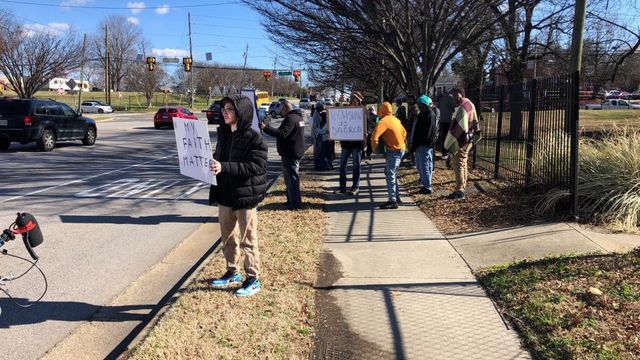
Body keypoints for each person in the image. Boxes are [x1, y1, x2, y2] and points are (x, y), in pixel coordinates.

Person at [208, 94, 268, 297]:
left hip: (245, 196)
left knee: (248, 239)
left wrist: (224, 166)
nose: (224, 113)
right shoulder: (224, 134)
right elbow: (219, 161)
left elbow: (256, 166)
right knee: (228, 238)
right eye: (223, 109)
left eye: (229, 109)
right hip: (225, 194)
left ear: (240, 112)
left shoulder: (254, 137)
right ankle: (232, 272)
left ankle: (253, 279)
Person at [259, 100, 305, 209]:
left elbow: (282, 133)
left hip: (290, 153)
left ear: (285, 109)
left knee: (292, 179)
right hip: (295, 151)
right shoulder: (298, 117)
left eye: (281, 109)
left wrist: (265, 128)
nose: (280, 111)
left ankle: (295, 204)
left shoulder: (290, 119)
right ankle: (291, 201)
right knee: (290, 179)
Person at [444, 88, 480, 200]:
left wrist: (450, 141)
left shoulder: (461, 108)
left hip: (462, 140)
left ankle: (459, 191)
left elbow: (458, 128)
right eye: (453, 96)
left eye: (456, 95)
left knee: (458, 164)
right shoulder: (470, 104)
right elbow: (474, 122)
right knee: (463, 163)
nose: (454, 98)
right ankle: (462, 188)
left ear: (462, 95)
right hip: (469, 138)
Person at [371, 102, 407, 209]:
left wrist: (375, 150)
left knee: (390, 173)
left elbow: (374, 137)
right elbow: (404, 132)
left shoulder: (383, 121)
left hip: (393, 150)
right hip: (401, 148)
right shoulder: (396, 119)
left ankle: (393, 200)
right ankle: (396, 195)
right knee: (389, 172)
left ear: (381, 110)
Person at [409, 95, 437, 194]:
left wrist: (414, 146)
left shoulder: (426, 114)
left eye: (420, 103)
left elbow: (421, 132)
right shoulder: (430, 113)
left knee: (423, 165)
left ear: (423, 104)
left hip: (423, 144)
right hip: (428, 144)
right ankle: (427, 184)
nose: (418, 105)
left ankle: (426, 187)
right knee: (428, 165)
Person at [338, 91, 365, 195]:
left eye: (356, 99)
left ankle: (355, 186)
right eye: (352, 98)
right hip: (345, 143)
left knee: (356, 165)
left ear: (359, 101)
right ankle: (342, 187)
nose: (354, 101)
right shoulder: (345, 110)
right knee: (342, 165)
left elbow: (367, 125)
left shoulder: (362, 111)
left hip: (357, 144)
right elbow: (338, 117)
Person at [438, 89, 455, 161]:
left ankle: (444, 152)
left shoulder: (442, 98)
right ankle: (448, 152)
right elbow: (455, 107)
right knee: (449, 137)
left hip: (442, 120)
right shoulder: (450, 98)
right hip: (449, 120)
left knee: (444, 137)